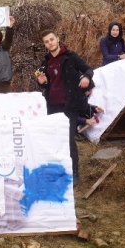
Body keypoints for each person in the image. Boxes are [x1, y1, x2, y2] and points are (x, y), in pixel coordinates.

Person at [36, 30, 93, 184]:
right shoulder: (45, 62)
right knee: (55, 139)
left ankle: (74, 173)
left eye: (52, 39)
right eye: (47, 42)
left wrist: (87, 77)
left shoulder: (71, 56)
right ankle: (59, 170)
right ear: (45, 45)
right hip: (53, 105)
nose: (50, 43)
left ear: (58, 39)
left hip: (70, 105)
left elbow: (88, 69)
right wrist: (41, 82)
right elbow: (46, 83)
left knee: (68, 139)